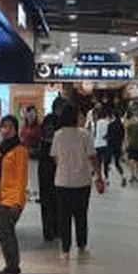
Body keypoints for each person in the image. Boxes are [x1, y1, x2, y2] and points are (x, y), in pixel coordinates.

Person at [52, 102, 100, 259]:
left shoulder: (58, 135)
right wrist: (98, 176)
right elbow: (92, 156)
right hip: (82, 181)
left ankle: (65, 250)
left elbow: (55, 157)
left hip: (62, 181)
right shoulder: (85, 135)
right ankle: (81, 245)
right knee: (81, 215)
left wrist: (64, 167)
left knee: (64, 216)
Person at [0, 115, 27, 274]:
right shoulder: (3, 148)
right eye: (3, 126)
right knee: (3, 232)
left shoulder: (19, 150)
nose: (6, 130)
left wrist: (17, 202)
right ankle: (10, 265)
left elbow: (21, 177)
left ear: (16, 129)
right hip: (2, 196)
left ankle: (13, 267)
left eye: (10, 127)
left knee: (5, 232)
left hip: (12, 198)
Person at [37, 98, 61, 241]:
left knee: (46, 198)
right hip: (57, 163)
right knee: (57, 198)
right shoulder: (61, 123)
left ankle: (47, 230)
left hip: (44, 162)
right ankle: (57, 229)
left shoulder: (46, 120)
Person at [20, 105, 41, 201]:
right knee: (27, 173)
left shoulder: (38, 127)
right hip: (25, 154)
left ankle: (36, 193)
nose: (31, 115)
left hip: (34, 154)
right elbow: (21, 137)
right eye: (29, 113)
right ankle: (29, 192)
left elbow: (39, 140)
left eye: (33, 113)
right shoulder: (24, 126)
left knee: (34, 173)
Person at [91, 105, 112, 184]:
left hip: (96, 145)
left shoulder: (94, 124)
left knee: (98, 163)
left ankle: (99, 177)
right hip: (105, 145)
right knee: (106, 163)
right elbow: (108, 134)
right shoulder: (107, 123)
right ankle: (106, 177)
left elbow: (93, 134)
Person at [106, 108, 126, 186]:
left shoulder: (110, 125)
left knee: (107, 162)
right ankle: (123, 176)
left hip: (110, 146)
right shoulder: (121, 125)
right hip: (118, 146)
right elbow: (123, 136)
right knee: (117, 163)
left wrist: (105, 137)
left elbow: (108, 136)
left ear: (113, 116)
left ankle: (107, 179)